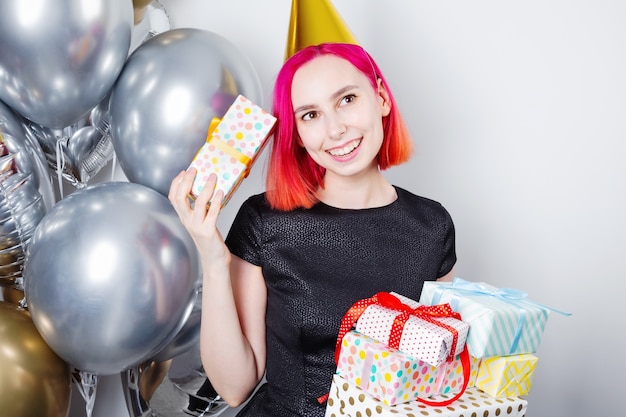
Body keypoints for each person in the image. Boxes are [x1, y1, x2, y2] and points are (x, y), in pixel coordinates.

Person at [168, 42, 456, 417]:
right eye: (310, 115)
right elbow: (234, 388)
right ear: (298, 134)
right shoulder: (265, 220)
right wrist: (212, 258)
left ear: (381, 99)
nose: (335, 130)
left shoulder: (432, 226)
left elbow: (439, 370)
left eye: (347, 99)